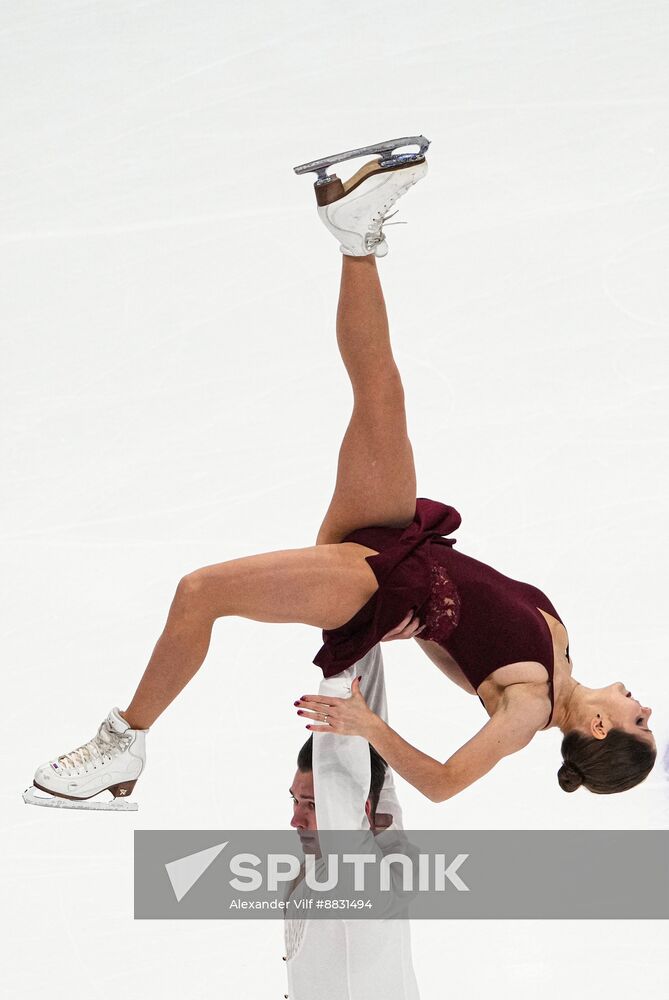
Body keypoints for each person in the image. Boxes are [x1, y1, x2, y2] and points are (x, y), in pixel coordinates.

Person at [23, 136, 655, 812]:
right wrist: (423, 635)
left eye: (638, 721)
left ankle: (123, 744)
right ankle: (355, 233)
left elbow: (443, 783)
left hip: (373, 583)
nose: (641, 704)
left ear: (596, 729)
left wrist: (368, 722)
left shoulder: (526, 711)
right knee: (382, 392)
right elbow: (459, 643)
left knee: (200, 590)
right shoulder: (557, 650)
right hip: (400, 537)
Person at [283, 643, 420, 1000]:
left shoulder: (358, 881)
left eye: (313, 804)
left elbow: (337, 774)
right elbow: (378, 748)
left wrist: (338, 666)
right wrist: (361, 638)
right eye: (295, 800)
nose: (295, 820)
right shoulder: (386, 839)